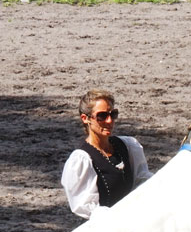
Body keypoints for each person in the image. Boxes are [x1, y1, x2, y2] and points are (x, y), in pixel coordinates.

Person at [61, 89, 152, 221]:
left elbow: (143, 182)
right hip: (102, 231)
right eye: (102, 116)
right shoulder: (82, 159)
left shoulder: (128, 146)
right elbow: (85, 206)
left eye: (112, 114)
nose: (109, 121)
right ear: (85, 119)